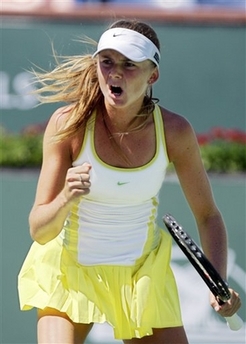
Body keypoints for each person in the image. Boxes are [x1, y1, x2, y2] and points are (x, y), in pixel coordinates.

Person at [18, 19, 241, 344]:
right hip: (70, 274)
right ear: (96, 67)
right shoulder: (68, 125)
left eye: (129, 64)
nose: (116, 73)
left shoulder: (175, 132)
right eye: (106, 62)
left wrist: (217, 281)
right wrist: (66, 196)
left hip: (141, 279)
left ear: (153, 75)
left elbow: (209, 216)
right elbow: (39, 231)